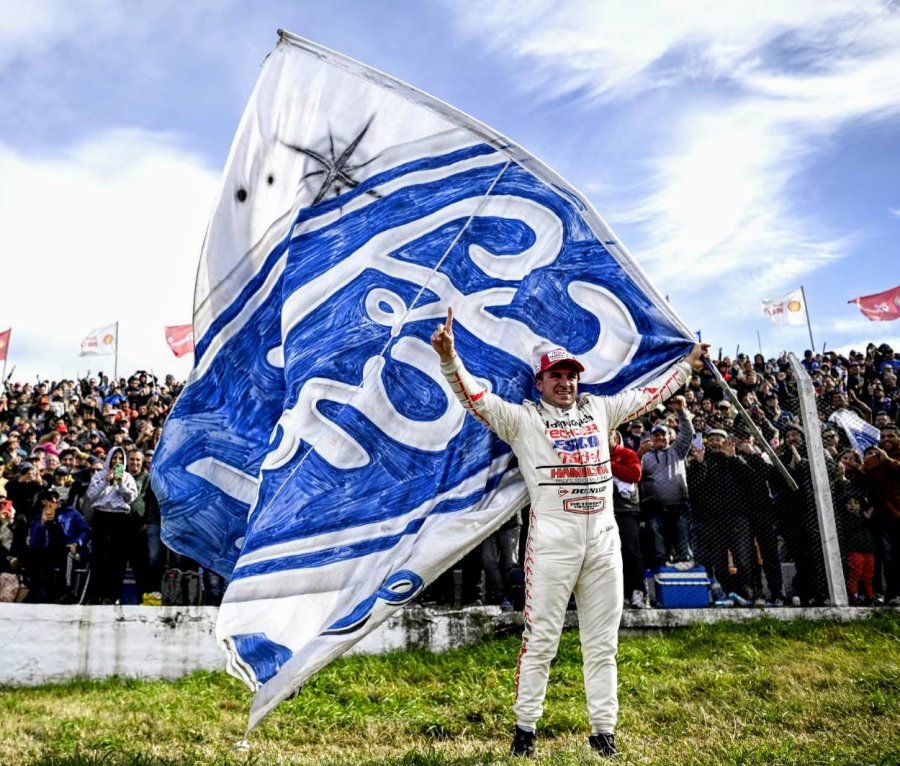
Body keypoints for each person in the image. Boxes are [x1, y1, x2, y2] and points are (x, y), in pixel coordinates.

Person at [431, 306, 707, 758]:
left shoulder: (600, 409)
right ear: (539, 383)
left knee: (603, 643)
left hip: (603, 543)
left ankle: (604, 733)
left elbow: (649, 393)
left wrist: (687, 365)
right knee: (541, 640)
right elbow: (476, 398)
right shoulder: (522, 419)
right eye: (556, 376)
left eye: (571, 375)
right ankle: (524, 731)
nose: (565, 382)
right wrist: (449, 359)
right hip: (552, 543)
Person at [637, 397, 694, 569]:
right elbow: (634, 476)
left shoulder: (678, 451)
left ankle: (684, 584)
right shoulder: (644, 456)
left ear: (669, 437)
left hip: (679, 506)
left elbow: (688, 433)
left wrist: (681, 411)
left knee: (682, 545)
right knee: (659, 550)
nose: (660, 437)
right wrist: (638, 454)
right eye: (656, 435)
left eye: (663, 434)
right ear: (651, 438)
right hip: (653, 508)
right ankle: (661, 574)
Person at [608, 430, 647, 609]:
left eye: (607, 435)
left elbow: (635, 475)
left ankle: (638, 592)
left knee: (631, 552)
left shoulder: (627, 454)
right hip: (604, 513)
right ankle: (620, 595)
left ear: (616, 438)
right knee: (609, 556)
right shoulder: (595, 455)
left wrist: (609, 466)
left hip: (626, 511)